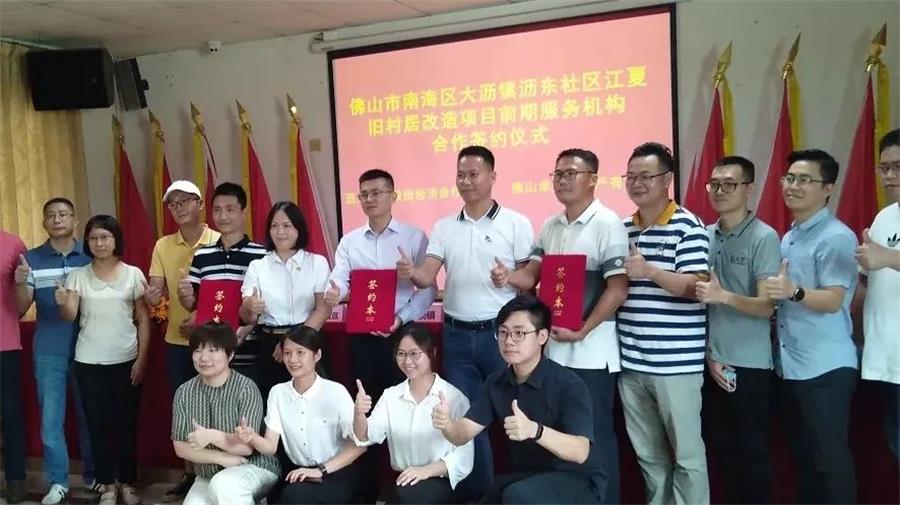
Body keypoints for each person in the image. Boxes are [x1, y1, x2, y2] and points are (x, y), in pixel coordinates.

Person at [398, 145, 533, 496]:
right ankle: (480, 494)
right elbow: (427, 276)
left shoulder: (515, 222)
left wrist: (509, 277)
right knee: (468, 420)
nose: (466, 181)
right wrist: (412, 271)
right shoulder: (444, 226)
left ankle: (522, 492)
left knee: (516, 414)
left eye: (474, 174)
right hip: (457, 336)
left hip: (500, 337)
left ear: (492, 176)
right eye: (461, 175)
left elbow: (530, 278)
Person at [495, 148, 628, 503]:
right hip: (555, 352)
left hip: (592, 353)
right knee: (560, 437)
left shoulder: (608, 223)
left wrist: (583, 329)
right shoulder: (551, 226)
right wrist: (509, 277)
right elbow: (531, 275)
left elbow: (618, 288)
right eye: (558, 174)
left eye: (571, 173)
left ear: (593, 179)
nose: (563, 180)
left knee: (595, 436)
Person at [325, 168, 436, 501]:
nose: (370, 199)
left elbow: (428, 290)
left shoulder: (414, 237)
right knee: (367, 411)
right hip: (362, 337)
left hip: (401, 337)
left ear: (393, 196)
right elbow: (339, 280)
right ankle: (369, 491)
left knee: (407, 410)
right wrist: (334, 292)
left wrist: (400, 318)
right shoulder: (350, 241)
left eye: (377, 193)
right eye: (364, 194)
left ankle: (410, 488)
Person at [433, 295, 604, 504]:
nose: (509, 341)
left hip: (576, 479)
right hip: (528, 477)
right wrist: (446, 424)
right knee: (489, 498)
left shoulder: (569, 384)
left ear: (542, 336)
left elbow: (580, 452)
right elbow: (462, 434)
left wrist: (534, 430)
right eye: (503, 332)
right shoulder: (497, 382)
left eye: (519, 333)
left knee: (517, 496)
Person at [616, 142, 710, 504]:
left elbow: (697, 287)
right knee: (650, 458)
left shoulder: (688, 226)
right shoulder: (623, 228)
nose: (637, 183)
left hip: (676, 368)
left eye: (646, 176)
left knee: (687, 457)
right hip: (632, 364)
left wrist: (651, 271)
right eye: (631, 176)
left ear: (667, 179)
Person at [763, 149, 858, 503]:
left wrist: (794, 291)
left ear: (827, 189)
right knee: (803, 460)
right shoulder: (790, 236)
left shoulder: (836, 236)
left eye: (804, 180)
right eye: (789, 178)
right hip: (791, 366)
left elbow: (834, 300)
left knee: (830, 461)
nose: (793, 186)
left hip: (826, 367)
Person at [695, 156, 780, 503]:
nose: (719, 191)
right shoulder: (704, 235)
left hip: (748, 364)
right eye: (714, 184)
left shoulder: (764, 237)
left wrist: (724, 296)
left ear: (749, 188)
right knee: (721, 454)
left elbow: (766, 306)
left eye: (729, 184)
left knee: (751, 454)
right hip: (709, 361)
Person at [59, 215, 150, 505]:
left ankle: (128, 483)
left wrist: (142, 359)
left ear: (115, 239)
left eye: (104, 237)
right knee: (97, 425)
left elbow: (144, 319)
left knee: (126, 425)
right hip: (89, 362)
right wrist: (63, 302)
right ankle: (108, 484)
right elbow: (70, 316)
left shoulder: (133, 274)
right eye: (93, 238)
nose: (99, 243)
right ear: (87, 242)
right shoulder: (78, 276)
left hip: (126, 359)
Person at [13, 197, 99, 505]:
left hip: (90, 345)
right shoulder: (31, 259)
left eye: (63, 214)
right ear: (44, 222)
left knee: (90, 414)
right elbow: (20, 309)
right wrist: (20, 283)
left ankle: (95, 476)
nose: (57, 219)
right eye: (51, 215)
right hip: (49, 348)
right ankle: (58, 481)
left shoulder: (91, 254)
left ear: (75, 221)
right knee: (51, 419)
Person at [145, 180, 220, 501]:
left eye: (185, 201)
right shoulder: (163, 245)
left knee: (217, 407)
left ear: (200, 204)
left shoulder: (218, 240)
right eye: (173, 204)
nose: (178, 209)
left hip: (215, 340)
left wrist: (201, 315)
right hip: (177, 341)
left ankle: (219, 472)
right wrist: (151, 295)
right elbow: (155, 288)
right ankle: (191, 474)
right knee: (185, 408)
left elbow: (228, 289)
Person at [235, 326, 366, 504]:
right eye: (287, 353)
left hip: (336, 470)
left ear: (317, 355)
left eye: (300, 352)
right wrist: (252, 437)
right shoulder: (278, 393)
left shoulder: (336, 392)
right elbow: (270, 447)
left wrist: (321, 470)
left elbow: (359, 446)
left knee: (296, 496)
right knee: (290, 495)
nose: (293, 359)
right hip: (297, 472)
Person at [352, 324, 473, 504]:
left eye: (414, 354)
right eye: (401, 354)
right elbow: (365, 436)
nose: (407, 361)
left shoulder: (454, 397)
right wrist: (359, 414)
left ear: (432, 353)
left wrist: (425, 472)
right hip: (405, 481)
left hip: (441, 480)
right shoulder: (391, 396)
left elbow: (464, 459)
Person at [171, 322, 280, 505]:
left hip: (252, 465)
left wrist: (212, 436)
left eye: (213, 350)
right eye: (198, 351)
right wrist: (221, 457)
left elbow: (245, 448)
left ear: (230, 355)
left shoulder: (246, 388)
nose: (204, 358)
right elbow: (181, 447)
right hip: (208, 474)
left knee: (224, 485)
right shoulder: (184, 391)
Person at [239, 201, 331, 401]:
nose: (280, 232)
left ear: (299, 229)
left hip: (306, 341)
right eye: (274, 226)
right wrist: (249, 306)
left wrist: (290, 345)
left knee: (312, 403)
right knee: (273, 403)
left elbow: (322, 310)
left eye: (287, 225)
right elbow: (247, 317)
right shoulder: (258, 266)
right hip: (269, 344)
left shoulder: (316, 263)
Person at [178, 183, 266, 382]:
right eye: (217, 210)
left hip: (249, 351)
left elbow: (268, 306)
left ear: (243, 212)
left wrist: (250, 327)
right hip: (209, 354)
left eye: (230, 209)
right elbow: (193, 305)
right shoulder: (202, 255)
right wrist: (184, 295)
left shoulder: (262, 255)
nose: (223, 216)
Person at [857, 129, 900, 459]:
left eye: (897, 167)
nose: (889, 175)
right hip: (885, 359)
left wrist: (887, 257)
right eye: (884, 167)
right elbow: (867, 281)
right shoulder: (885, 216)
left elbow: (883, 260)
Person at [1, 229, 28, 504]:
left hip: (4, 344)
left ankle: (16, 480)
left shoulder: (13, 244)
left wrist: (20, 284)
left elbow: (23, 304)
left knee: (11, 415)